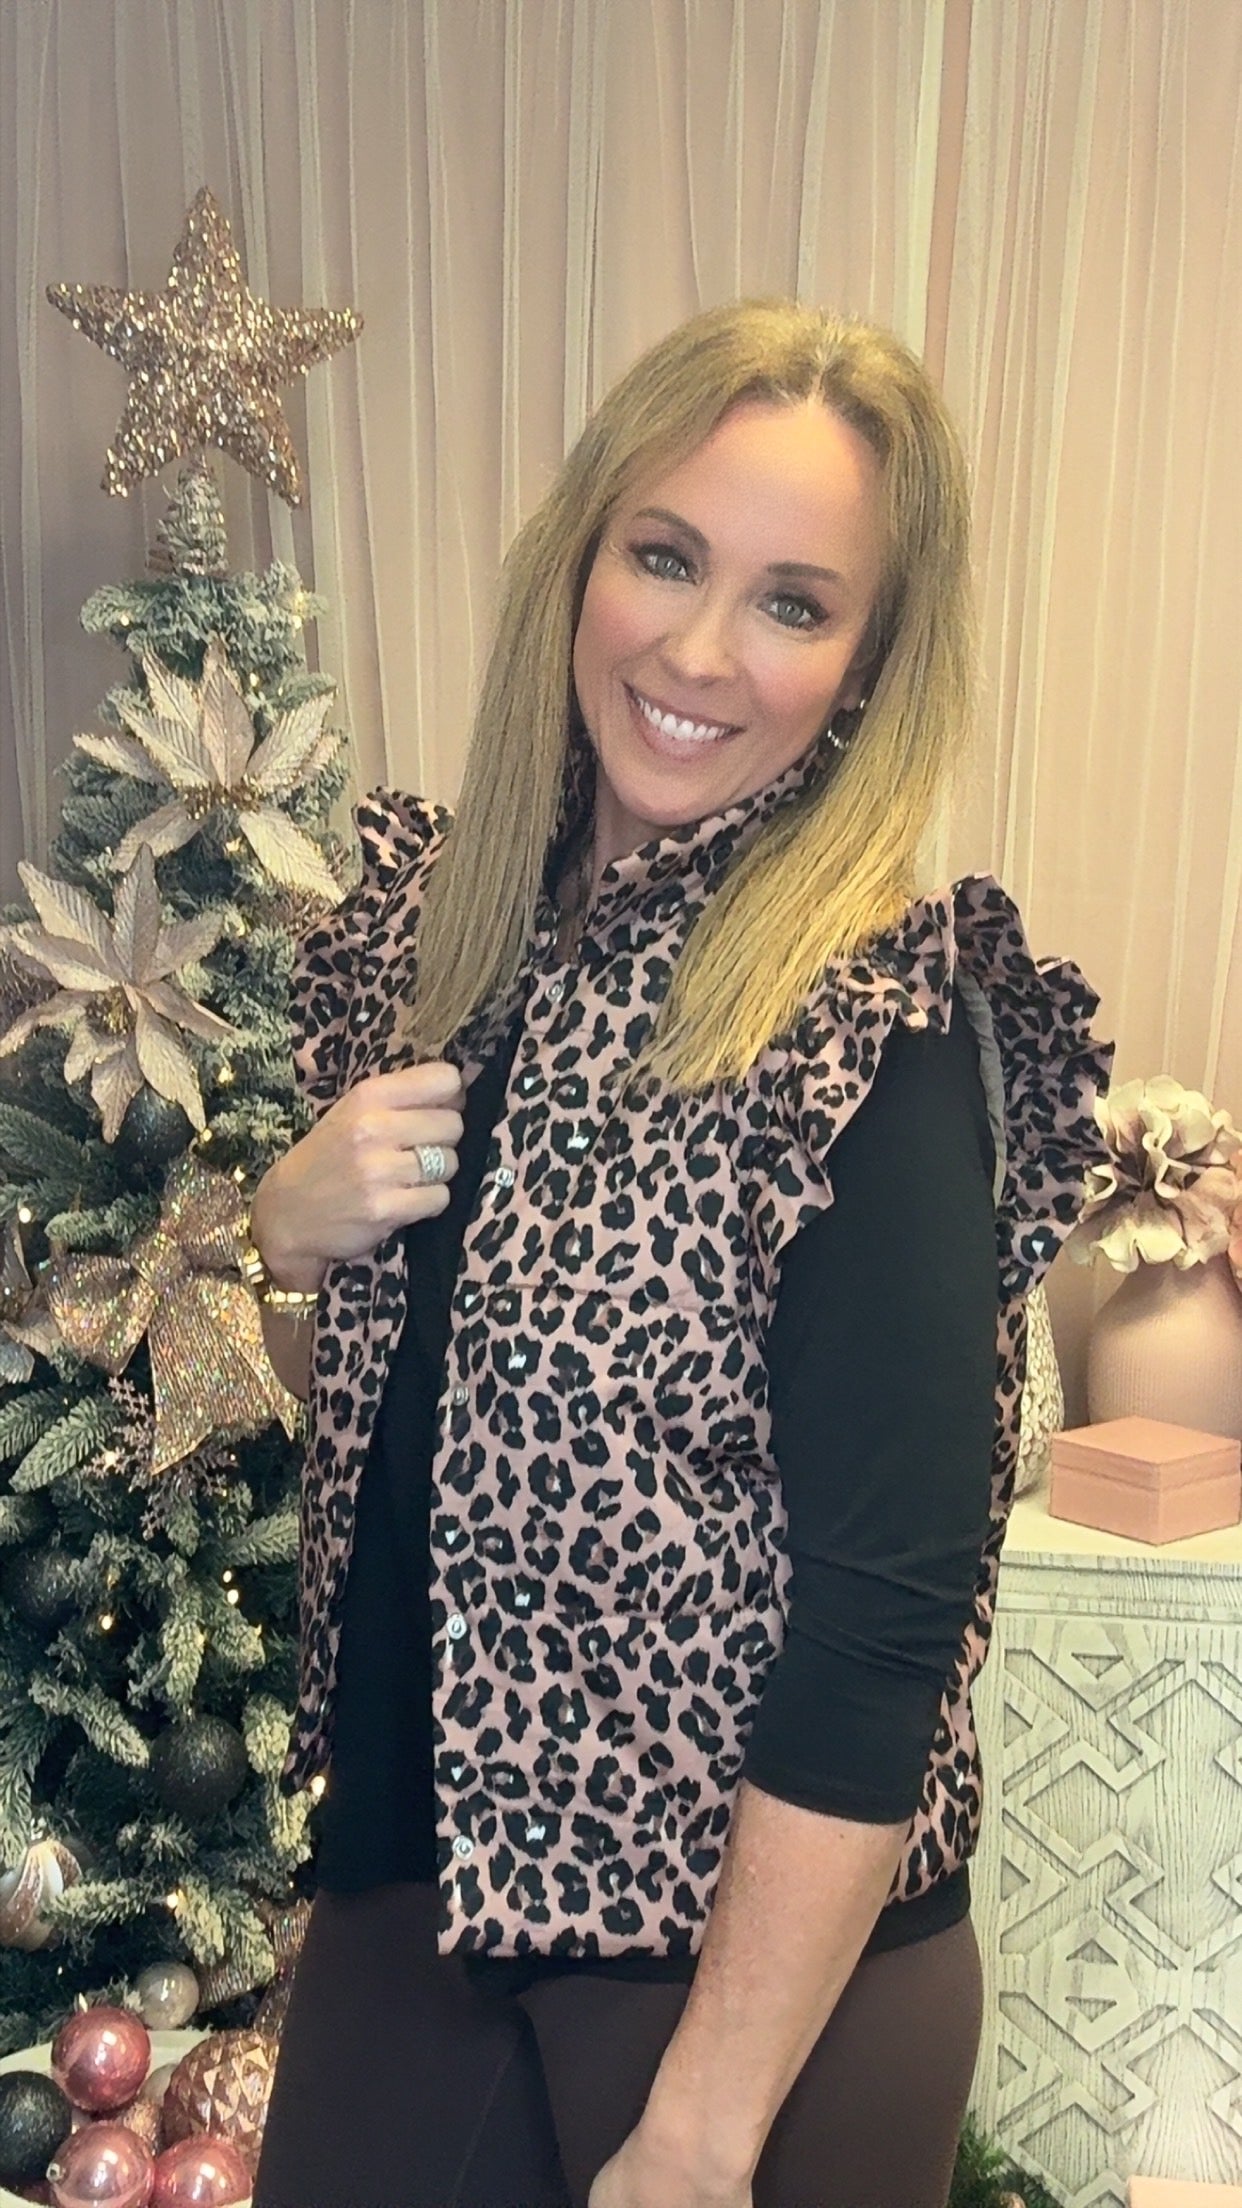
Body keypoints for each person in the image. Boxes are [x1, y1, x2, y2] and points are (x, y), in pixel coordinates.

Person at [246, 298, 1114, 2208]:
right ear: (579, 555)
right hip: (423, 1889)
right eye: (664, 557)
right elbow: (389, 1422)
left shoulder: (871, 1027)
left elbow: (885, 1622)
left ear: (868, 665)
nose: (700, 651)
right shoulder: (439, 936)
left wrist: (705, 2131)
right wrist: (279, 1243)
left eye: (793, 604)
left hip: (734, 1988)